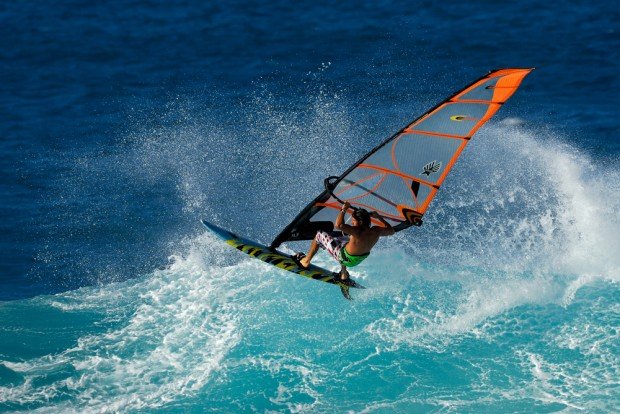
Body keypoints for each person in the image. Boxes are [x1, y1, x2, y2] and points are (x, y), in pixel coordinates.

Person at [294, 201, 395, 283]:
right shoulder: (376, 231)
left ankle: (306, 261)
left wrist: (344, 209)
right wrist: (379, 218)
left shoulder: (356, 231)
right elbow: (391, 231)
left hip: (343, 257)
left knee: (319, 234)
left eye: (354, 220)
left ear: (360, 222)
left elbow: (339, 225)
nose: (351, 222)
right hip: (357, 260)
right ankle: (343, 273)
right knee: (345, 240)